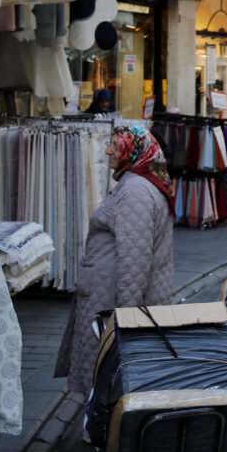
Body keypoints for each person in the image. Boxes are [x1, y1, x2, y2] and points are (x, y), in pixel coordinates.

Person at [55, 126, 174, 394]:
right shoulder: (138, 184)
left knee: (110, 371)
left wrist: (125, 320)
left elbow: (134, 260)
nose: (107, 150)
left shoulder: (135, 192)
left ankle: (104, 430)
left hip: (110, 304)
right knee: (107, 373)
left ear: (133, 151)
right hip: (108, 299)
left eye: (114, 145)